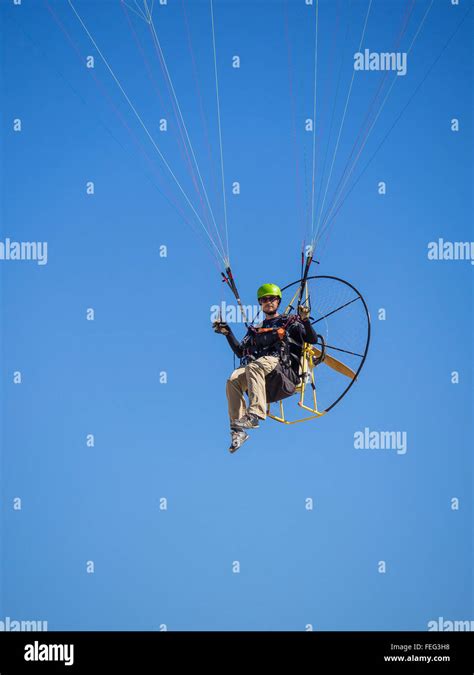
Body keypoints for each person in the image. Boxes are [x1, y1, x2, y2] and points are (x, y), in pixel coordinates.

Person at [213, 283, 319, 453]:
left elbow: (312, 339)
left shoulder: (289, 322)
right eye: (264, 299)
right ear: (260, 303)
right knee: (232, 380)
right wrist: (227, 332)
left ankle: (255, 415)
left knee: (254, 367)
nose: (268, 302)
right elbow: (241, 352)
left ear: (278, 301)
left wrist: (305, 320)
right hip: (262, 374)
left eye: (272, 299)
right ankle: (238, 431)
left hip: (282, 370)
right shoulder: (256, 330)